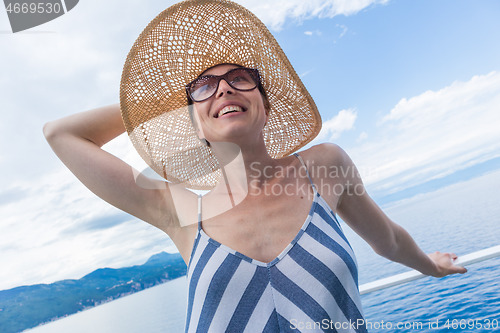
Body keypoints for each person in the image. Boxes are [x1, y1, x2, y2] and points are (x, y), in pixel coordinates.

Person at [44, 0, 467, 332]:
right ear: (195, 125)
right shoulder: (181, 211)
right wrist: (175, 100)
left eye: (240, 78)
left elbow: (388, 239)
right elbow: (60, 134)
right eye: (206, 86)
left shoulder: (322, 166)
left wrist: (431, 266)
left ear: (265, 107)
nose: (225, 86)